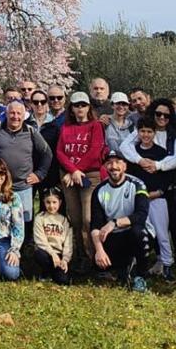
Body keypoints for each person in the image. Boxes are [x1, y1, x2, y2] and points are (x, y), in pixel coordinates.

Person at [120, 97, 176, 282]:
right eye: (158, 114)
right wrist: (140, 160)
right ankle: (160, 259)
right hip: (149, 187)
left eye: (166, 115)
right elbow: (125, 147)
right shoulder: (145, 132)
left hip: (172, 186)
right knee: (154, 226)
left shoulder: (175, 135)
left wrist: (158, 165)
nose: (162, 118)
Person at [0, 100, 51, 224]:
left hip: (23, 186)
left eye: (19, 113)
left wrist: (40, 174)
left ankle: (23, 244)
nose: (15, 116)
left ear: (24, 114)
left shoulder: (31, 131)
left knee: (23, 221)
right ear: (6, 113)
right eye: (12, 113)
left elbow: (47, 153)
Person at [56, 92, 106, 267]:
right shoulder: (66, 127)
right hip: (69, 176)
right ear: (72, 108)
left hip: (89, 175)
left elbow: (94, 151)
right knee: (75, 218)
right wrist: (72, 170)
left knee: (88, 218)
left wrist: (77, 170)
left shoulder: (95, 126)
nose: (80, 109)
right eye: (76, 105)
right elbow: (60, 152)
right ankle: (81, 256)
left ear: (88, 107)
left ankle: (96, 255)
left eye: (83, 105)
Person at [90, 150, 150, 292]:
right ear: (105, 166)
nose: (114, 166)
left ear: (125, 166)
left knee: (138, 232)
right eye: (109, 163)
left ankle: (141, 276)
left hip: (135, 233)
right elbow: (95, 224)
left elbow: (141, 215)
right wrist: (99, 251)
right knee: (99, 265)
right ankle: (125, 267)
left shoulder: (137, 185)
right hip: (115, 236)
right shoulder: (99, 190)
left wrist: (115, 222)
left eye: (118, 162)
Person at [132, 122, 173, 277]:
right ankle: (139, 262)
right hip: (139, 199)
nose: (146, 135)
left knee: (162, 233)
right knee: (141, 231)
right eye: (142, 131)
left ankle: (167, 263)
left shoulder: (160, 152)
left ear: (154, 133)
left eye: (149, 131)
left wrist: (159, 192)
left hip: (157, 198)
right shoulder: (134, 153)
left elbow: (167, 177)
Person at [32, 187, 73, 284]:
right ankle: (45, 273)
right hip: (46, 252)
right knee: (39, 255)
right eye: (48, 202)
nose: (51, 206)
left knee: (63, 281)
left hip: (60, 254)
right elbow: (40, 240)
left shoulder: (64, 220)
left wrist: (65, 259)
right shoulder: (40, 218)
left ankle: (55, 273)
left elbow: (68, 243)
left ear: (60, 202)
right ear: (43, 202)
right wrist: (52, 254)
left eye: (54, 202)